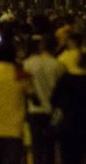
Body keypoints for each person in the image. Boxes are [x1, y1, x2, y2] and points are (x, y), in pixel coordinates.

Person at [22, 35, 61, 164]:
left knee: (36, 147)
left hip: (34, 110)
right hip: (51, 110)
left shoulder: (28, 63)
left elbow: (23, 85)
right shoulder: (58, 64)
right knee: (50, 147)